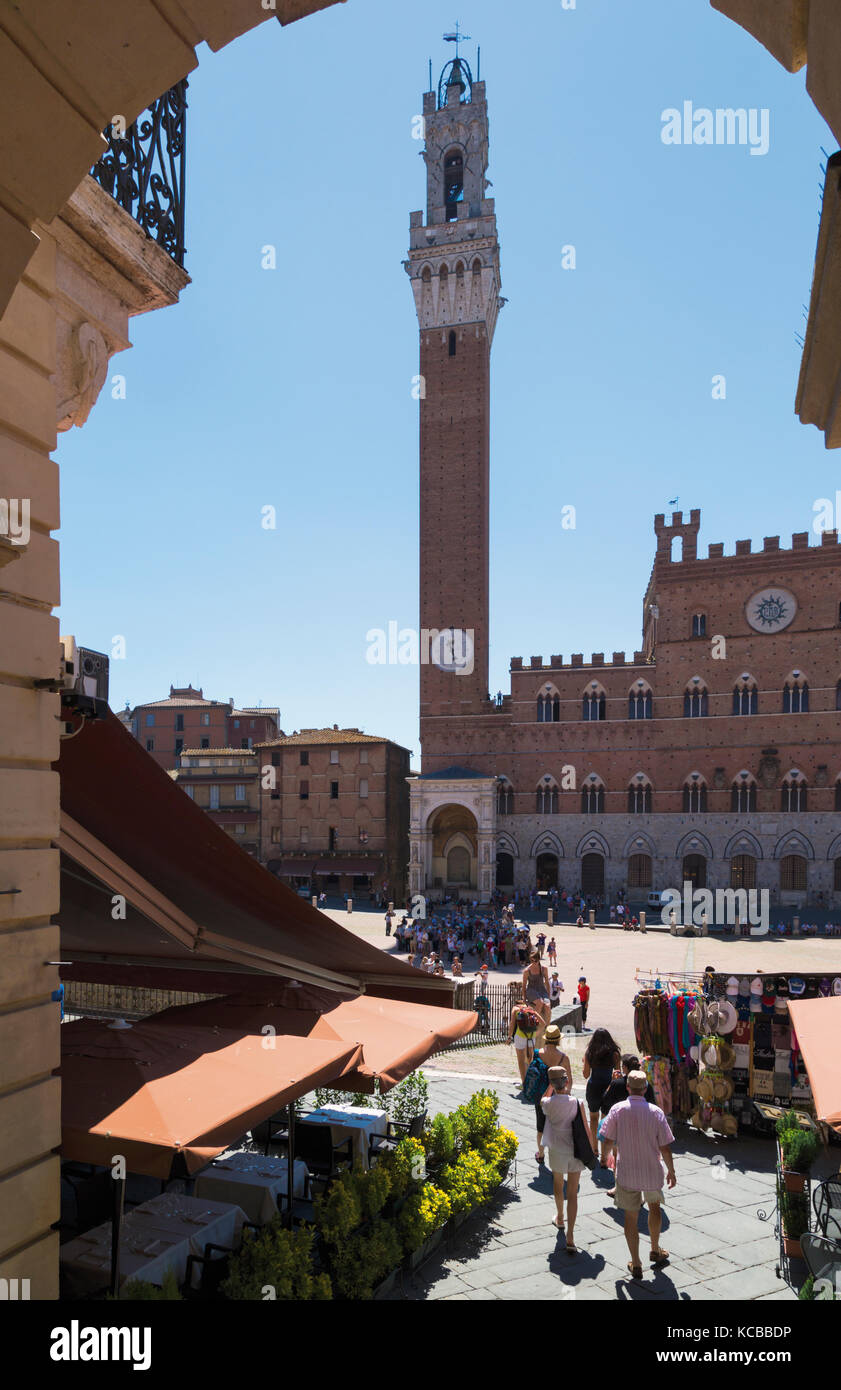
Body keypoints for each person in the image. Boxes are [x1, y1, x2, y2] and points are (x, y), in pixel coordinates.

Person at [600, 1071, 677, 1279]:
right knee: (654, 1208)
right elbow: (665, 1147)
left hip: (627, 1171)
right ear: (645, 1089)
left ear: (627, 1087)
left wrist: (604, 1157)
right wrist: (671, 1170)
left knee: (631, 1216)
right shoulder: (656, 1112)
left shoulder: (617, 1110)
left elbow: (607, 1140)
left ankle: (635, 1262)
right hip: (651, 1169)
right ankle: (655, 1248)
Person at [540, 1066, 591, 1250]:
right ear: (567, 1081)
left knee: (557, 1183)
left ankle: (560, 1216)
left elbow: (542, 1100)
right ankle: (570, 1234)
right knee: (572, 1192)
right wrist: (592, 1149)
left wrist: (550, 1086)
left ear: (552, 1083)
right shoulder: (578, 1103)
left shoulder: (548, 1104)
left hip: (557, 1149)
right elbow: (586, 1129)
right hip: (575, 1150)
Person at [535, 1024, 573, 1164]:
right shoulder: (564, 1058)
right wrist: (566, 1096)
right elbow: (570, 1081)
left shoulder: (537, 1053)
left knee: (540, 1127)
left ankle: (540, 1154)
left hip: (540, 1094)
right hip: (557, 1096)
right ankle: (556, 1154)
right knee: (558, 1126)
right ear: (558, 1040)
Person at [582, 1028, 621, 1160]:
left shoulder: (590, 1053)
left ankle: (594, 1149)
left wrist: (586, 1062)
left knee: (593, 1119)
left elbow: (586, 1075)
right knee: (605, 1121)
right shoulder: (615, 1054)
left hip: (593, 1087)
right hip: (608, 1089)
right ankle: (605, 1154)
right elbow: (618, 1073)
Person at [507, 998, 541, 1086]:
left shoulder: (515, 1009)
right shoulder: (530, 1009)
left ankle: (524, 1084)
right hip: (531, 1036)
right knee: (530, 1059)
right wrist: (536, 1034)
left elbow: (512, 1024)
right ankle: (532, 1082)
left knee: (521, 1061)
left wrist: (509, 1037)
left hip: (520, 1036)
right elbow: (543, 1023)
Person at [522, 949, 551, 1045]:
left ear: (539, 959)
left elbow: (547, 982)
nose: (534, 962)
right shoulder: (527, 970)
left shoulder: (544, 969)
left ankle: (547, 1028)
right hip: (531, 990)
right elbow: (524, 985)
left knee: (547, 1006)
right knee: (540, 1003)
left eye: (535, 960)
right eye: (532, 961)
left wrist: (548, 995)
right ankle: (534, 1022)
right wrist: (524, 998)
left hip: (541, 990)